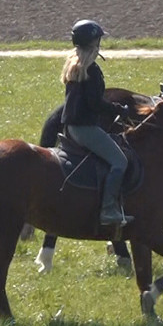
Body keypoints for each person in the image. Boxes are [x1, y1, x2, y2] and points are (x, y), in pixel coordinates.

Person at [61, 19, 133, 228]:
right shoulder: (91, 69)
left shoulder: (75, 65)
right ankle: (108, 210)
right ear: (93, 42)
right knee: (120, 161)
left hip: (71, 127)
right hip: (85, 129)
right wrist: (120, 110)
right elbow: (95, 103)